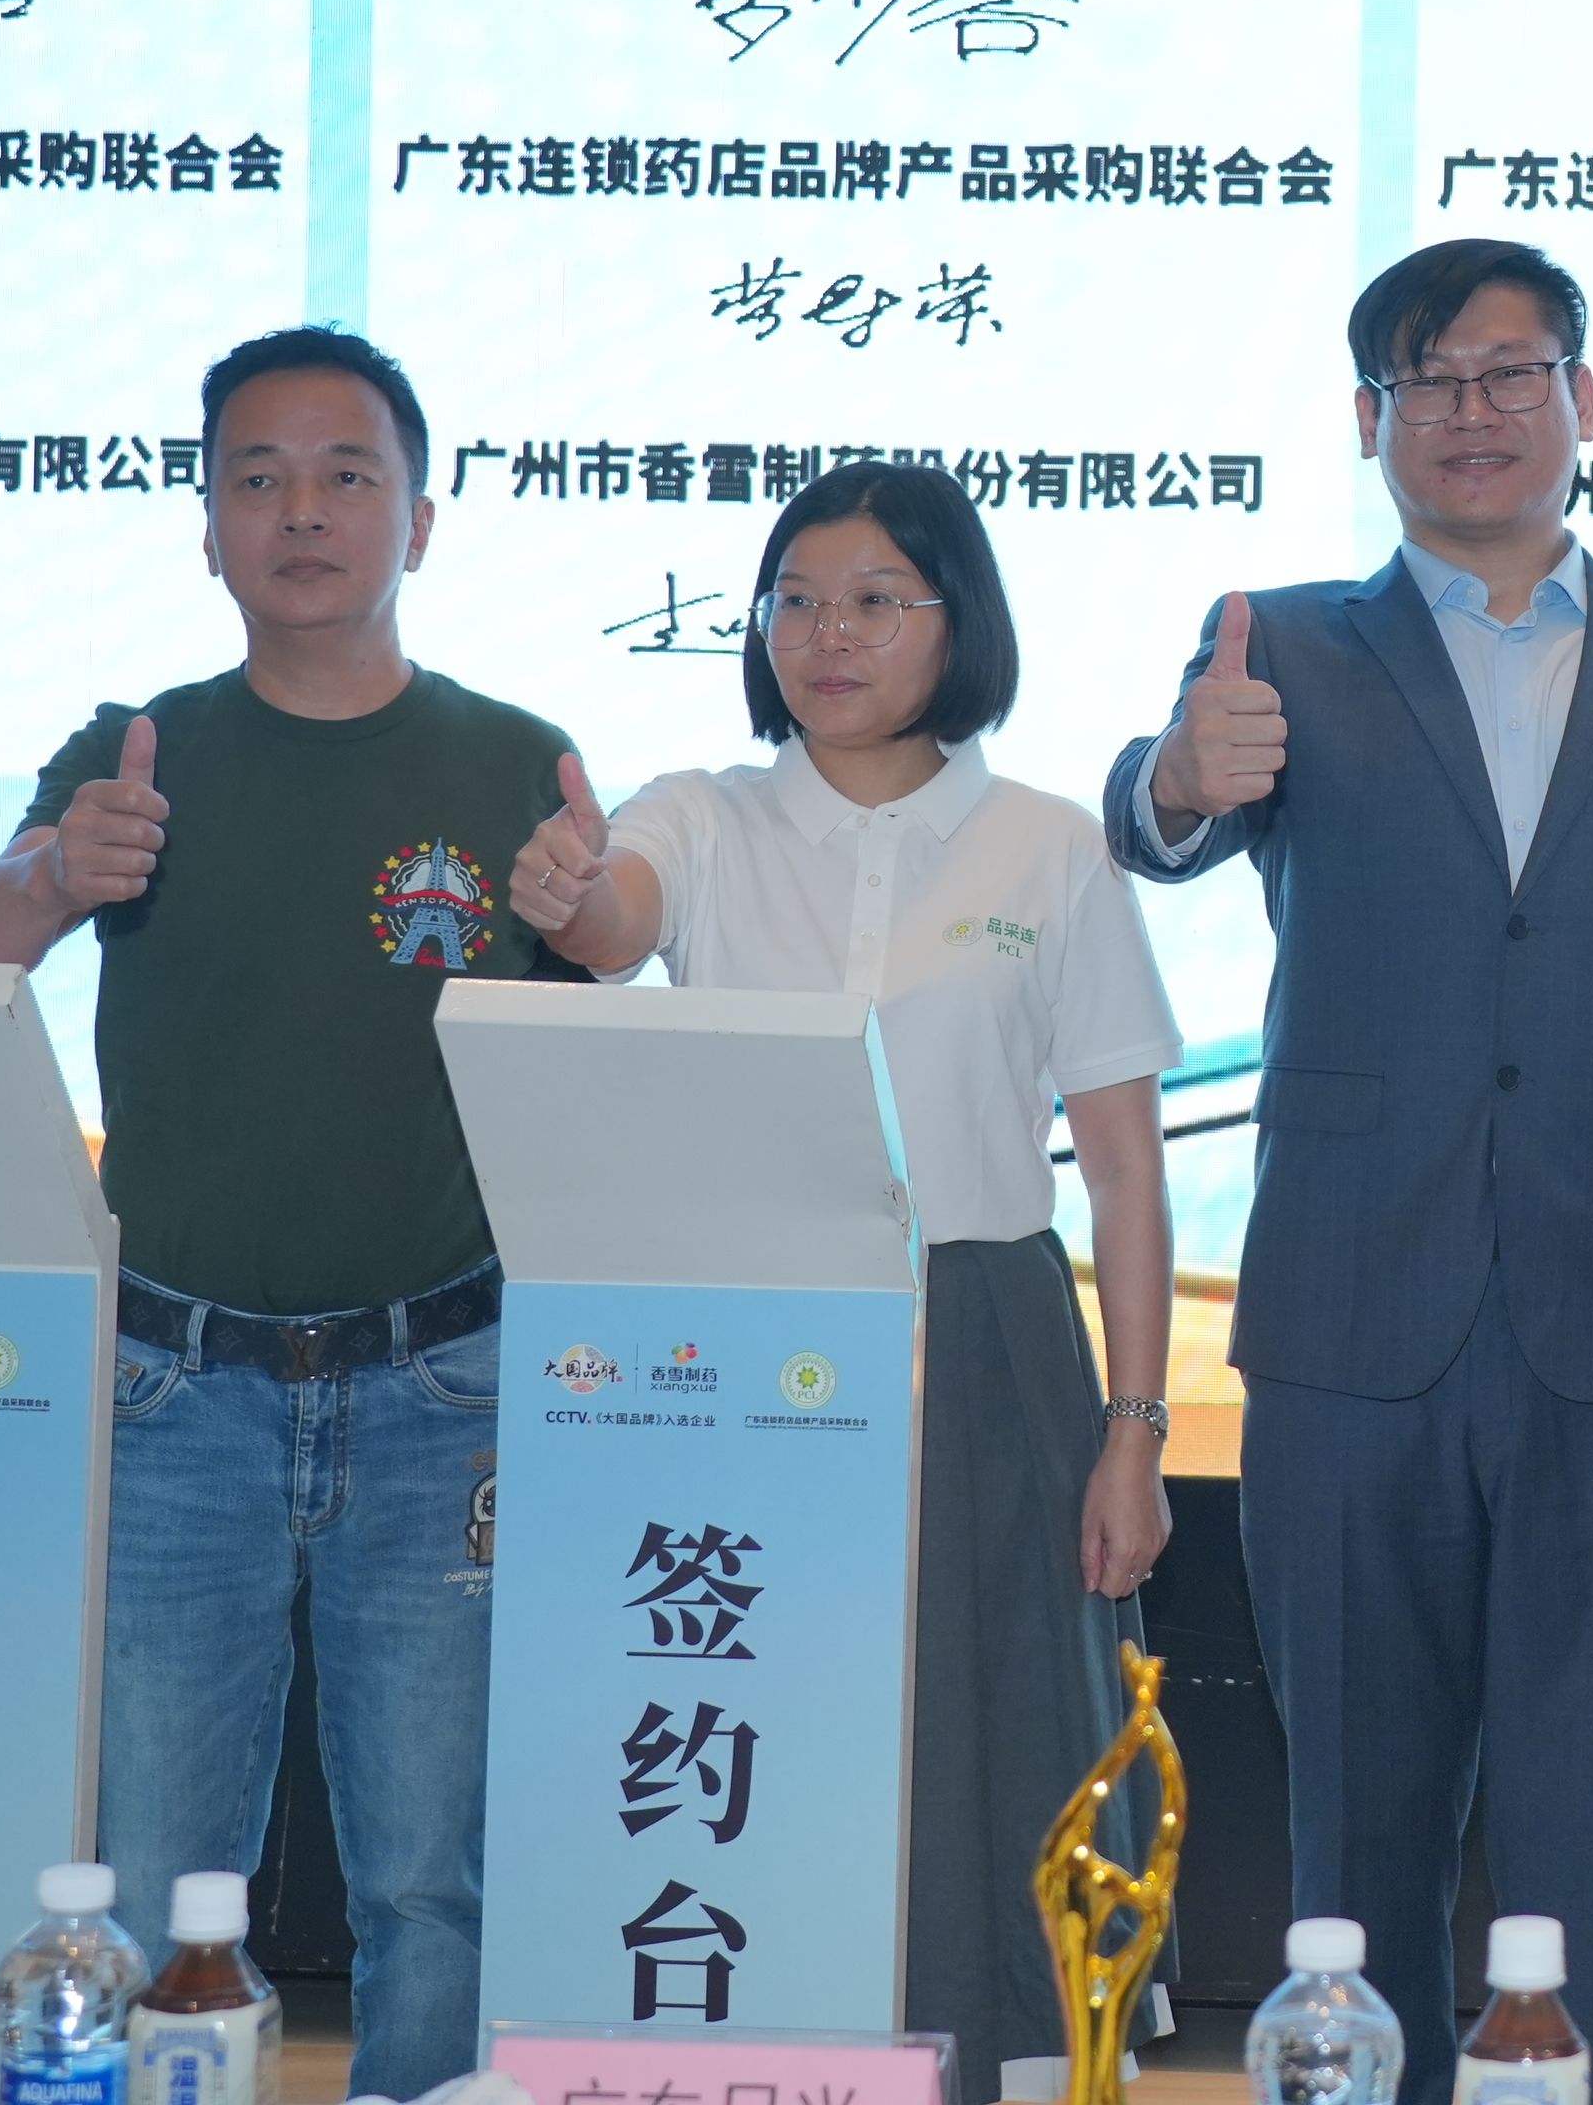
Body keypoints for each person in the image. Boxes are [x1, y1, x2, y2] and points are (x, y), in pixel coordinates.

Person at [1105, 237, 1593, 2105]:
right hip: (1350, 1325)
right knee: (1356, 1848)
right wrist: (1177, 775)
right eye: (1430, 380)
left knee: (1591, 1854)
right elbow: (1153, 825)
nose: (1472, 412)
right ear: (1370, 421)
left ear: (1585, 398)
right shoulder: (1277, 645)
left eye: (1512, 372)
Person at [0, 325, 578, 2097]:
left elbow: (598, 1016)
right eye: (259, 478)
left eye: (348, 475)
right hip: (174, 1392)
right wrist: (56, 872)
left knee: (436, 1882)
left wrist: (598, 909)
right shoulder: (139, 752)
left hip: (443, 1387)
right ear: (208, 524)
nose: (303, 512)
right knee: (149, 1873)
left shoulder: (513, 761)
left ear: (420, 521)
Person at [513, 459, 1183, 2105]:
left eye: (879, 599)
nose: (830, 634)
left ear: (960, 624)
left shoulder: (1048, 848)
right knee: (748, 1710)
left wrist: (1136, 1430)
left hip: (986, 1338)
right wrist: (573, 897)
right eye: (797, 601)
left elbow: (1122, 1167)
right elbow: (614, 923)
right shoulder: (704, 813)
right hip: (742, 1347)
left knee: (988, 1742)